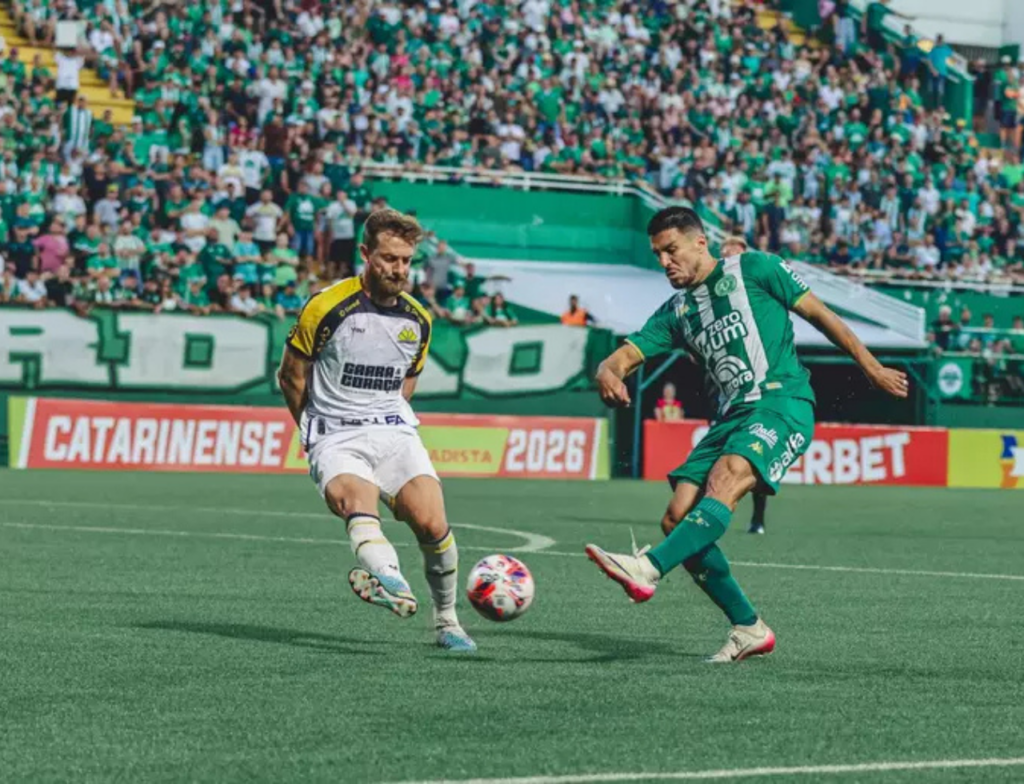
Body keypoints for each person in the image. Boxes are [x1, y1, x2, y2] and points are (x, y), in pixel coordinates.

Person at [584, 207, 908, 663]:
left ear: (701, 243)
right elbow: (625, 355)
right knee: (677, 517)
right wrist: (606, 370)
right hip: (730, 416)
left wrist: (871, 368)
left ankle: (648, 566)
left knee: (728, 477)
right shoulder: (677, 311)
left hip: (781, 402)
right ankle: (748, 627)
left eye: (671, 250)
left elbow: (821, 314)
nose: (664, 263)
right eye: (657, 254)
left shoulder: (755, 268)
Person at [276, 208, 476, 653]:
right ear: (366, 254)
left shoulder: (418, 318)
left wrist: (389, 417)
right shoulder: (326, 306)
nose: (399, 269)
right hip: (336, 434)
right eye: (389, 259)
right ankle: (392, 581)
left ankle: (447, 622)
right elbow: (290, 375)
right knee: (358, 505)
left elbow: (408, 380)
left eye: (406, 260)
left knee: (433, 524)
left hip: (393, 430)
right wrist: (314, 432)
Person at [722, 234, 772, 536]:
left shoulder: (757, 286)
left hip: (760, 391)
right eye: (723, 253)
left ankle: (758, 518)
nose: (726, 258)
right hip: (724, 389)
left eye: (732, 254)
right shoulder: (711, 293)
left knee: (754, 460)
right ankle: (712, 514)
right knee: (720, 457)